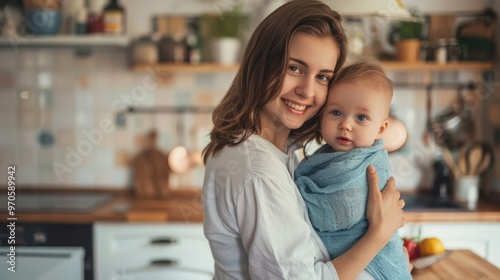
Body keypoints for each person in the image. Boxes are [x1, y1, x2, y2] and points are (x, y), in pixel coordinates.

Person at [202, 1, 408, 279]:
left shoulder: (277, 150)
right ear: (261, 64)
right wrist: (378, 236)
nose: (307, 91)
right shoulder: (257, 171)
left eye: (322, 77)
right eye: (295, 68)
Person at [295, 61, 412, 280]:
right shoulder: (323, 158)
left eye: (361, 118)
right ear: (322, 116)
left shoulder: (370, 164)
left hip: (372, 267)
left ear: (380, 129)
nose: (346, 124)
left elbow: (341, 213)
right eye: (336, 112)